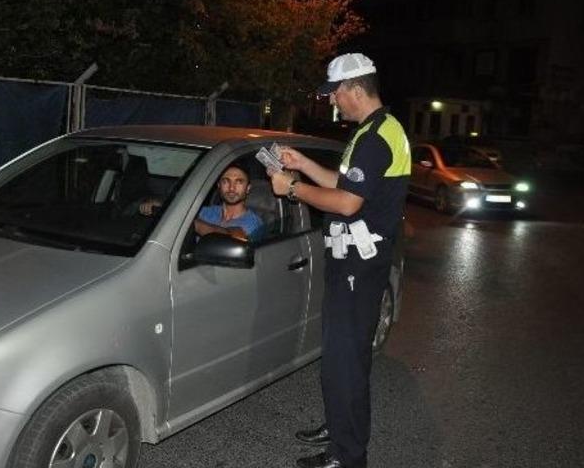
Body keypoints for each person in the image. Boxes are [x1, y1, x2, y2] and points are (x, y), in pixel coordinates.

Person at [268, 53, 411, 468]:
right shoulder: (375, 130)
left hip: (358, 269)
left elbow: (347, 203)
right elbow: (347, 185)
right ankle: (340, 428)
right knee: (340, 359)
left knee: (346, 362)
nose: (333, 103)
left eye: (335, 94)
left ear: (354, 89)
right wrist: (304, 164)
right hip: (353, 266)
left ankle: (347, 457)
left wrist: (291, 188)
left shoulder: (375, 137)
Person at [140, 164, 264, 242]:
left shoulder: (253, 222)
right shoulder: (207, 211)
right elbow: (180, 208)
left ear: (248, 188)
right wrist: (157, 204)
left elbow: (232, 236)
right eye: (226, 181)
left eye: (239, 182)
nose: (231, 188)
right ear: (219, 185)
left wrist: (187, 221)